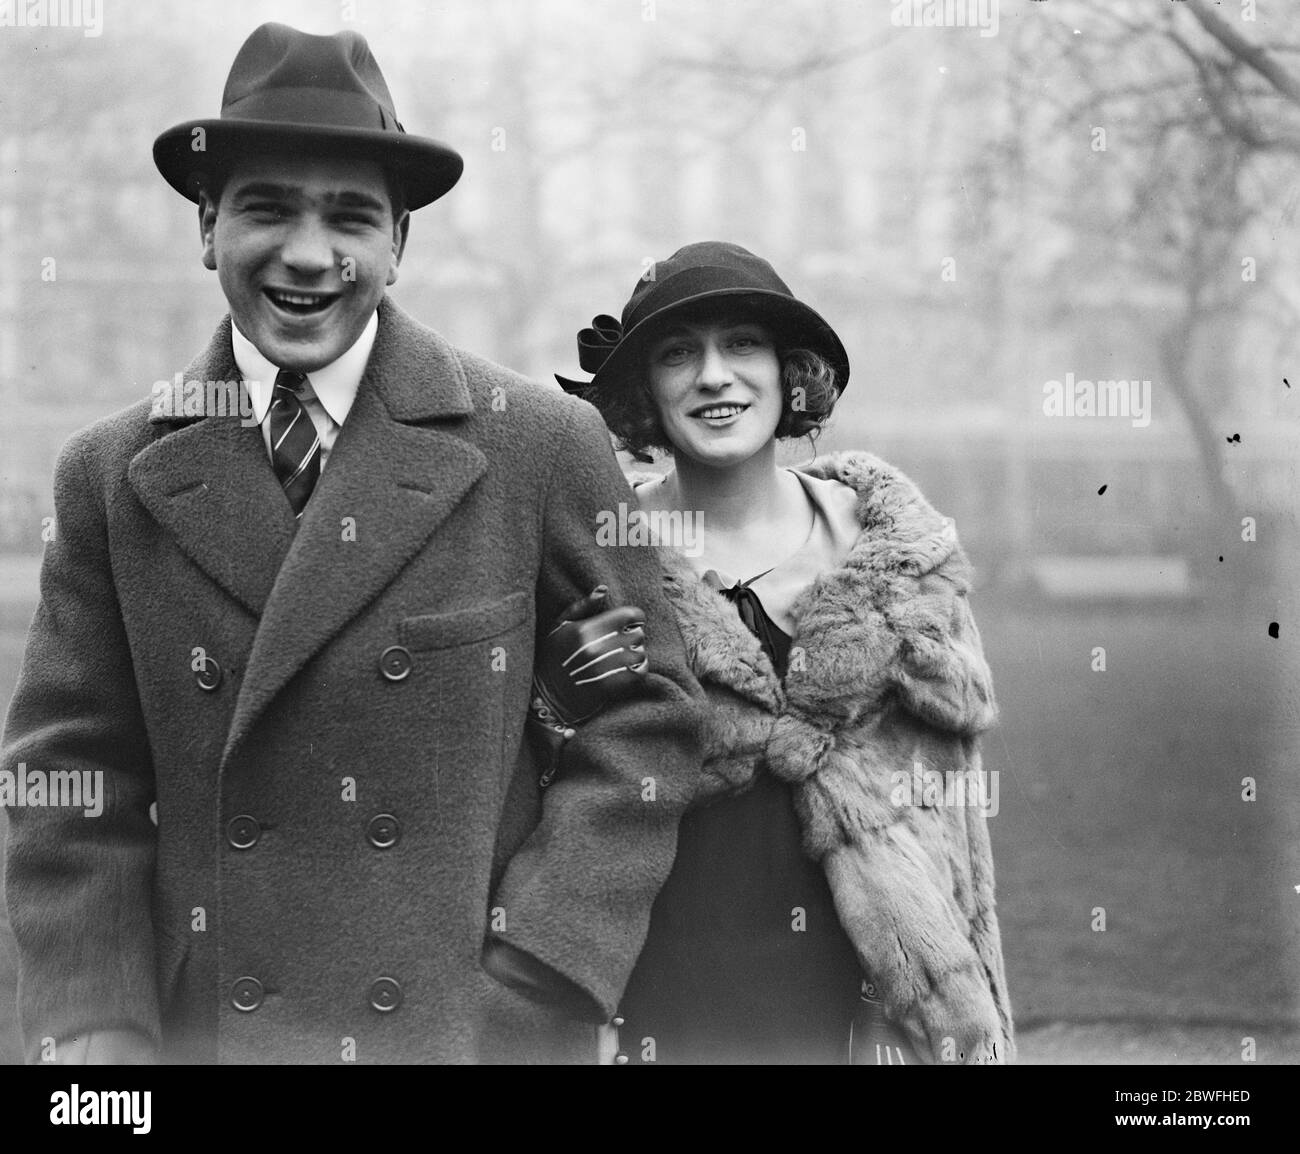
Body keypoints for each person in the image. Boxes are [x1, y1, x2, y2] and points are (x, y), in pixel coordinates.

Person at [0, 23, 703, 1065]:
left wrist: (542, 971)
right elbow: (70, 779)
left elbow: (647, 715)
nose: (308, 253)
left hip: (460, 1033)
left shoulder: (539, 444)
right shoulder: (110, 476)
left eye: (349, 217)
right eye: (267, 207)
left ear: (398, 245)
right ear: (205, 225)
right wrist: (98, 1029)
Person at [557, 241, 1013, 1064]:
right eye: (677, 353)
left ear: (790, 373)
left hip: (857, 1010)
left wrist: (972, 1017)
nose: (713, 376)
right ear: (644, 392)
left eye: (741, 344)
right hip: (663, 998)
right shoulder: (597, 553)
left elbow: (957, 826)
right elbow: (538, 792)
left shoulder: (895, 551)